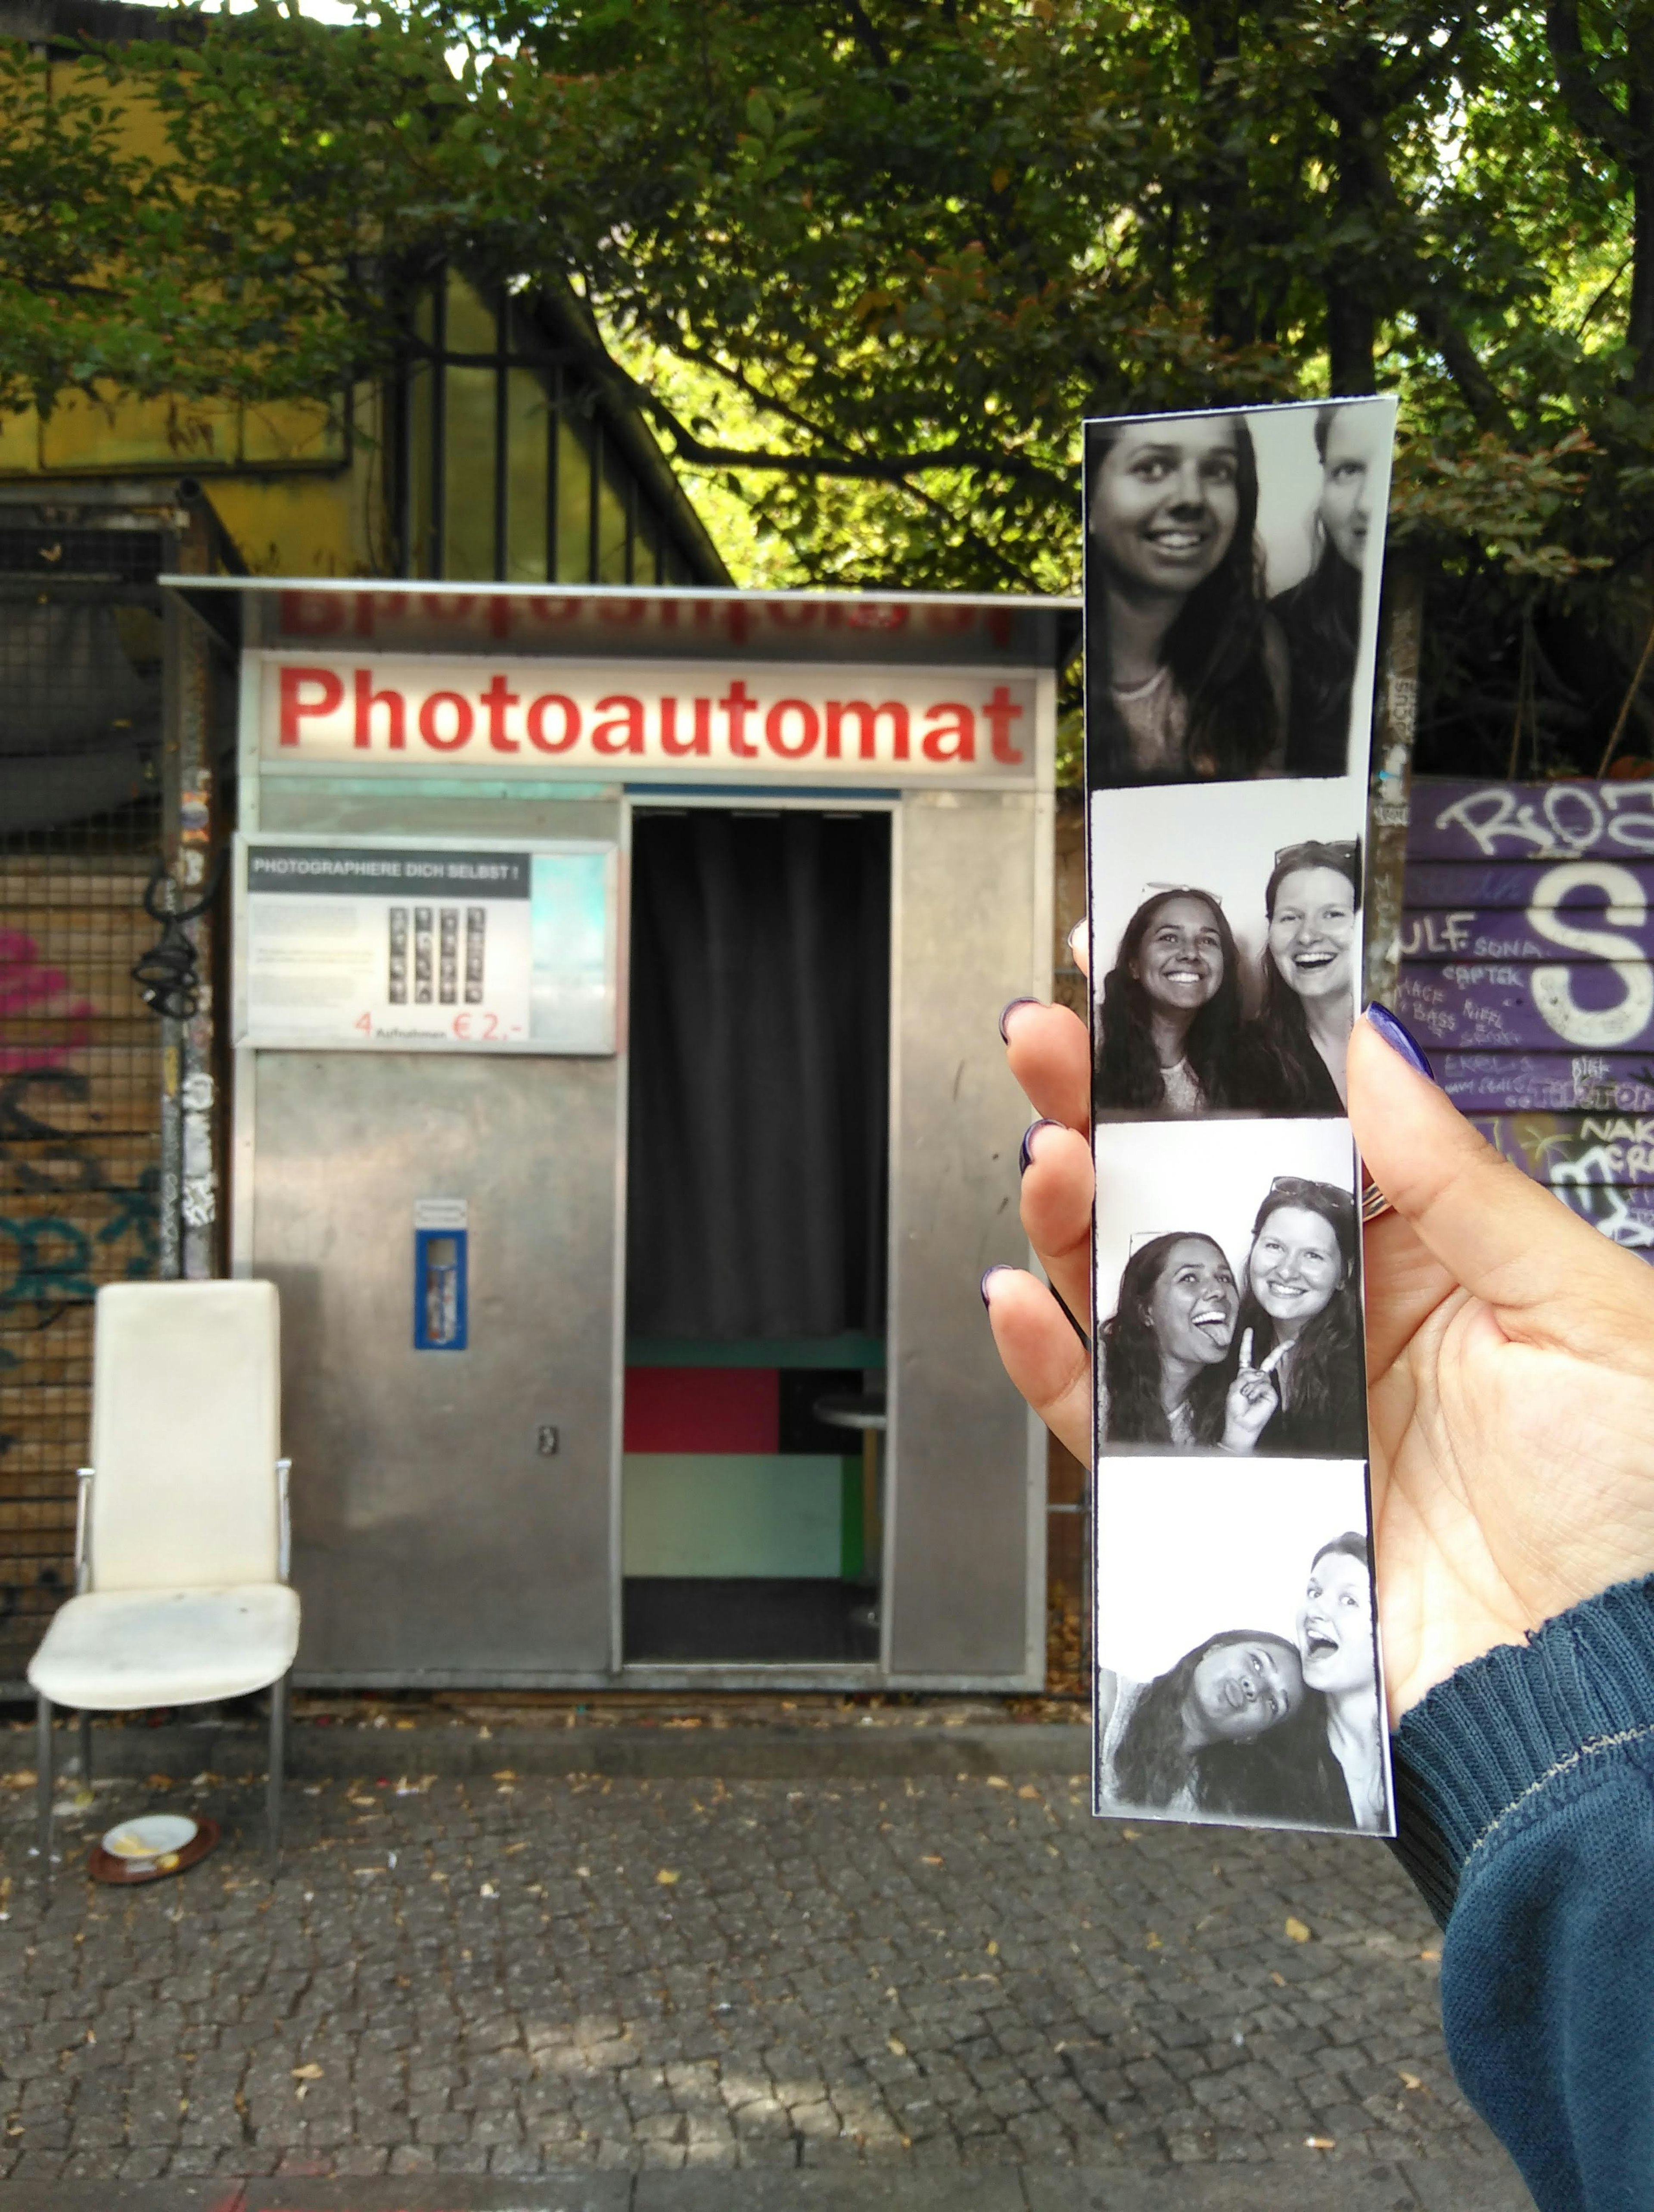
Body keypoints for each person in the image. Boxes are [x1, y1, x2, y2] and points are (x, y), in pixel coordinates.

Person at [996, 985, 1654, 2212]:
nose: (1274, 1270)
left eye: (1308, 1248)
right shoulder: (1230, 1417)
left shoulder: (1330, 1389)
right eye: (1261, 1253)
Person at [1085, 413, 1289, 785]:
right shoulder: (1053, 656)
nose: (1192, 498)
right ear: (1090, 501)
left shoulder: (1254, 651)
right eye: (1152, 467)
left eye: (1217, 471)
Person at [1270, 404, 1384, 776]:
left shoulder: (1476, 628)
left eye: (1388, 469)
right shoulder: (1278, 631)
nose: (1368, 504)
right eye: (1348, 471)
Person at [1218, 1177, 1365, 1457]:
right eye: (1275, 1247)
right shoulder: (1225, 1346)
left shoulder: (1363, 1369)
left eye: (1313, 1256)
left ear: (1344, 1274)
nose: (1287, 1271)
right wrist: (1236, 1441)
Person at [1097, 1629, 1308, 1819]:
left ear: (1250, 1737)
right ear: (1214, 1649)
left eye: (1273, 1704)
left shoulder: (1202, 1813)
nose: (1255, 1686)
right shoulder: (1105, 1698)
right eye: (1257, 1663)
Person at [1094, 888, 1244, 1116]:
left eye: (1208, 940)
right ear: (1134, 964)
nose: (1191, 954)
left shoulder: (1240, 1062)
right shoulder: (1092, 1034)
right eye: (1170, 938)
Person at [1240, 839, 1359, 1111]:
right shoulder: (1248, 1058)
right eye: (1290, 918)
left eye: (1332, 914)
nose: (1307, 936)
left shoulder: (1422, 1037)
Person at [1295, 1532, 1390, 1832]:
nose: (1315, 1610)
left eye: (1349, 1600)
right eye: (1314, 1593)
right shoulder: (1280, 1757)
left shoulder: (1428, 1754)